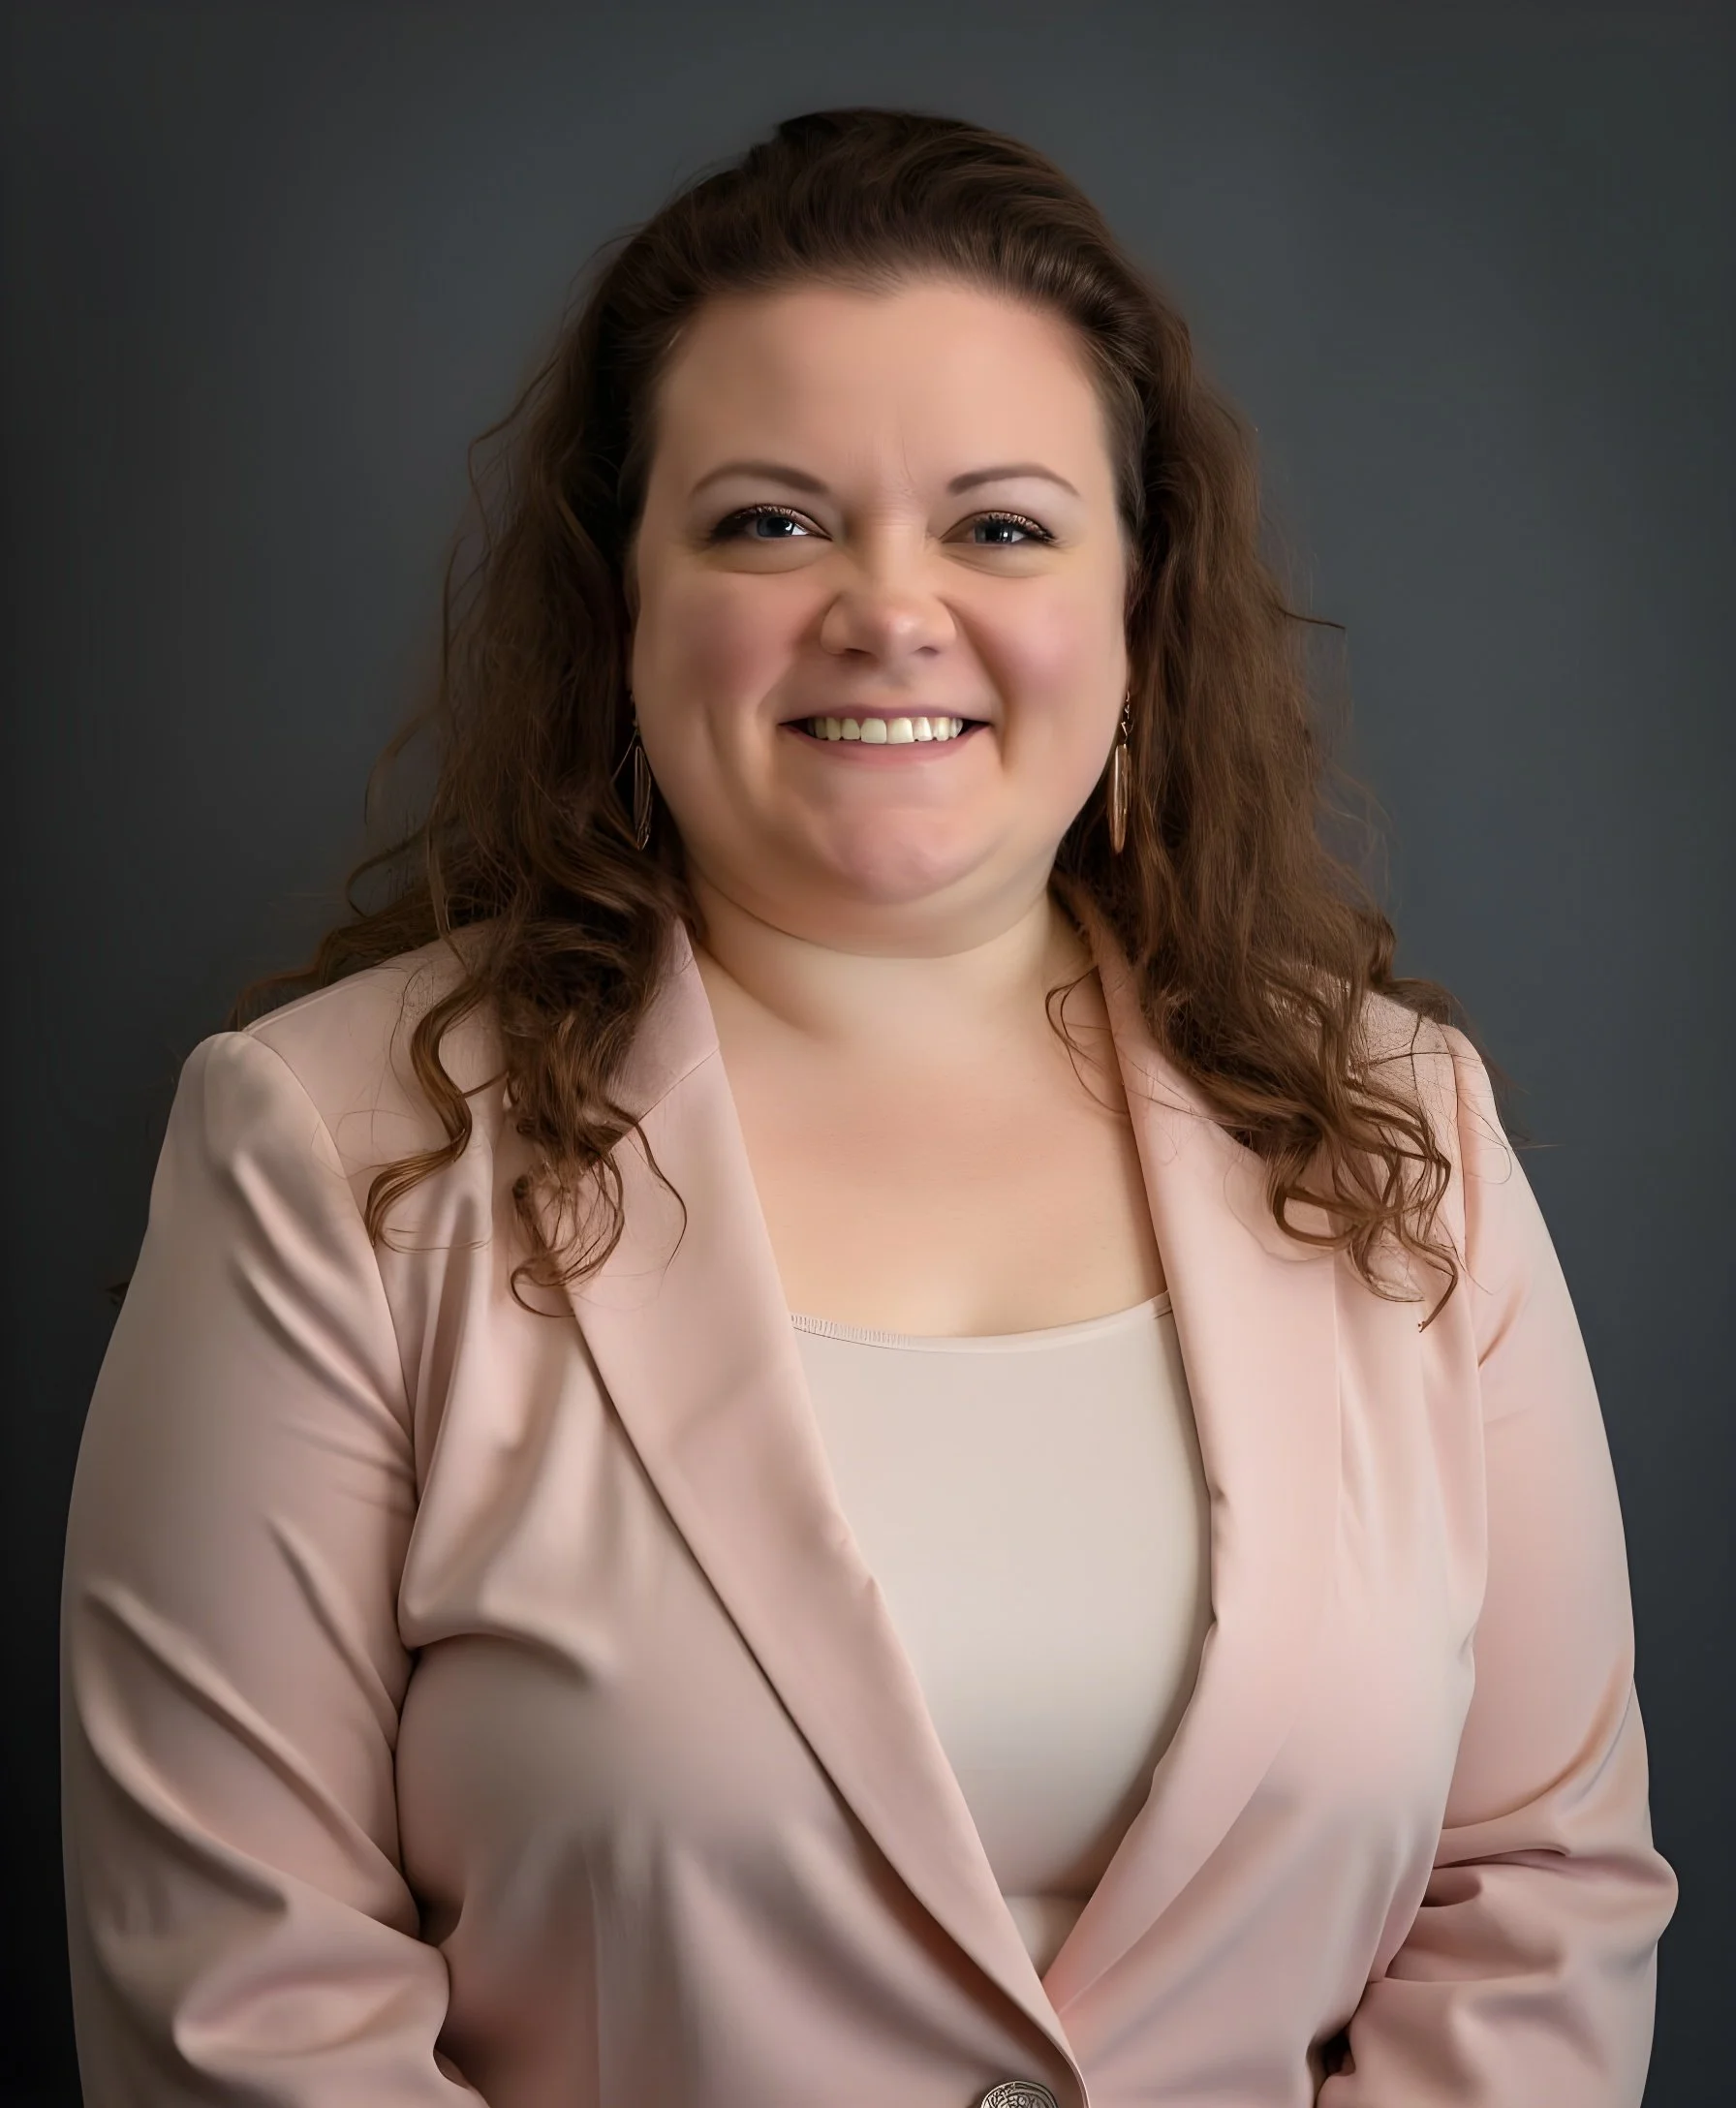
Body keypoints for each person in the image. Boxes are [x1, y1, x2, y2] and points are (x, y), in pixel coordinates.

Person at [59, 107, 1676, 2107]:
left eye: (997, 525)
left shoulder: (1401, 1138)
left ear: (1137, 609)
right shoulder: (327, 1153)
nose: (886, 608)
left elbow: (1536, 1893)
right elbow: (243, 1991)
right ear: (621, 603)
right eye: (767, 521)